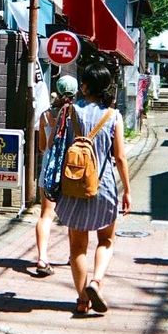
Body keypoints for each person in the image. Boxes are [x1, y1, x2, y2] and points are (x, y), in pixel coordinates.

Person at [54, 64, 131, 314]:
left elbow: (55, 150)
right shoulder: (113, 116)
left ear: (84, 86)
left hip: (72, 184)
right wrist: (127, 190)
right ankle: (96, 281)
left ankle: (81, 299)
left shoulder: (69, 112)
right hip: (104, 185)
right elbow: (119, 157)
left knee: (77, 246)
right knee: (106, 239)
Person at [34, 76, 78, 277]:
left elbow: (43, 147)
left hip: (49, 170)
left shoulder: (45, 115)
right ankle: (74, 255)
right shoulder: (77, 115)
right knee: (72, 216)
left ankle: (42, 258)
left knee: (46, 215)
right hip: (71, 171)